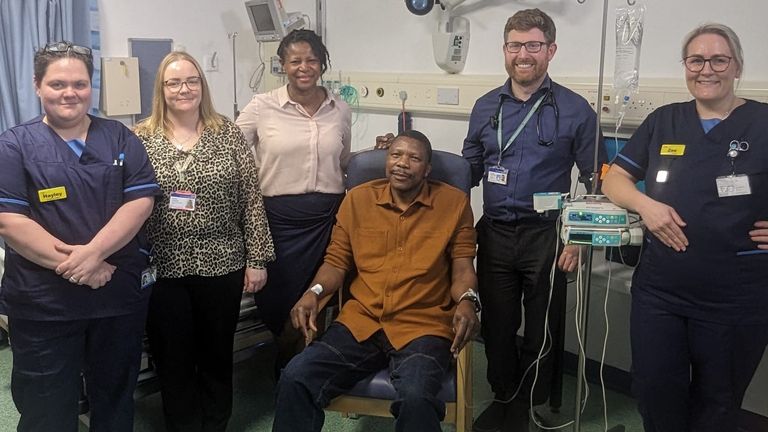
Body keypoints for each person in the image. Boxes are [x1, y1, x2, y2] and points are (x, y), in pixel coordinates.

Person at [602, 23, 768, 432]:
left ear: (737, 67)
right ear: (686, 66)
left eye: (718, 59)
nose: (706, 69)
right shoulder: (665, 121)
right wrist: (648, 207)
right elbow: (613, 180)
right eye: (696, 60)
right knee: (656, 392)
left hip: (736, 298)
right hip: (661, 294)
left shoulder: (762, 123)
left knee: (718, 403)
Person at [272, 130, 480, 432]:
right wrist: (313, 293)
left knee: (417, 397)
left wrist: (468, 300)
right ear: (386, 160)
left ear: (427, 169)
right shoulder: (357, 200)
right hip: (362, 321)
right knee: (296, 376)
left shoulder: (454, 204)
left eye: (414, 158)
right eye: (396, 155)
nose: (402, 163)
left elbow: (463, 267)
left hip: (423, 325)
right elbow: (336, 261)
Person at [0, 41, 159, 431]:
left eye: (80, 83)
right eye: (57, 84)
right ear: (37, 85)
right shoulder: (14, 145)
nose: (69, 92)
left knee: (116, 398)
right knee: (46, 405)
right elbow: (9, 221)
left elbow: (139, 203)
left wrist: (94, 254)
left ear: (92, 86)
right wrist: (83, 266)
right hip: (45, 305)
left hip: (115, 298)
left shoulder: (121, 139)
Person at [462, 8, 606, 432]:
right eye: (515, 46)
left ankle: (530, 403)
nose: (523, 54)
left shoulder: (576, 109)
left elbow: (598, 178)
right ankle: (504, 397)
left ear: (551, 50)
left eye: (533, 46)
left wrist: (579, 237)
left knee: (543, 327)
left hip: (550, 237)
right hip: (495, 233)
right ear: (504, 51)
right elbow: (468, 170)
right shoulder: (486, 106)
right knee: (499, 325)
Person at [134, 52, 275, 432]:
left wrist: (257, 258)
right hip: (164, 265)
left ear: (202, 85)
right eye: (174, 82)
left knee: (215, 353)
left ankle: (215, 423)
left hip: (222, 262)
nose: (184, 89)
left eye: (192, 81)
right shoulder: (140, 137)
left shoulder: (226, 132)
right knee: (172, 356)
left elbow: (251, 197)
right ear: (161, 89)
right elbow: (125, 203)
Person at [236, 29, 351, 373]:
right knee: (277, 303)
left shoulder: (339, 108)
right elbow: (229, 147)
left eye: (312, 60)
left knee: (318, 297)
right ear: (283, 65)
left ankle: (294, 375)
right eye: (295, 60)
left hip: (327, 220)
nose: (304, 67)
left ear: (322, 63)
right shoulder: (262, 106)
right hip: (276, 221)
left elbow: (342, 163)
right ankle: (293, 368)